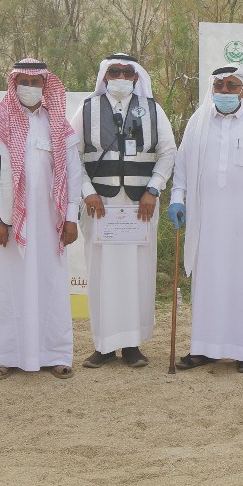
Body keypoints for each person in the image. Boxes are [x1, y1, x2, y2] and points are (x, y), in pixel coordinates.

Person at [169, 65, 243, 373]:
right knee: (209, 282)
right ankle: (204, 348)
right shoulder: (198, 122)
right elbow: (182, 165)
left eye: (231, 86)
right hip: (207, 220)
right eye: (219, 86)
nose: (224, 91)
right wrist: (177, 197)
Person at [72, 53, 177, 369]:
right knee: (101, 273)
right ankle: (103, 345)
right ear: (104, 76)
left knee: (138, 272)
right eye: (114, 71)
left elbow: (168, 151)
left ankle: (132, 345)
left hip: (139, 205)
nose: (120, 77)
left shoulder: (152, 110)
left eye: (126, 72)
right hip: (100, 206)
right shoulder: (86, 109)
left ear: (136, 77)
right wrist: (87, 192)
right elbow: (71, 155)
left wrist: (153, 189)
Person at [0, 59, 82, 380]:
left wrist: (71, 217)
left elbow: (73, 174)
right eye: (23, 81)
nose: (29, 87)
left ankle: (54, 354)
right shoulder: (0, 122)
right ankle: (4, 356)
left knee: (50, 284)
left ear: (45, 85)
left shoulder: (58, 123)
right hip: (10, 222)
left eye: (35, 82)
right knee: (7, 287)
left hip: (51, 222)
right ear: (14, 84)